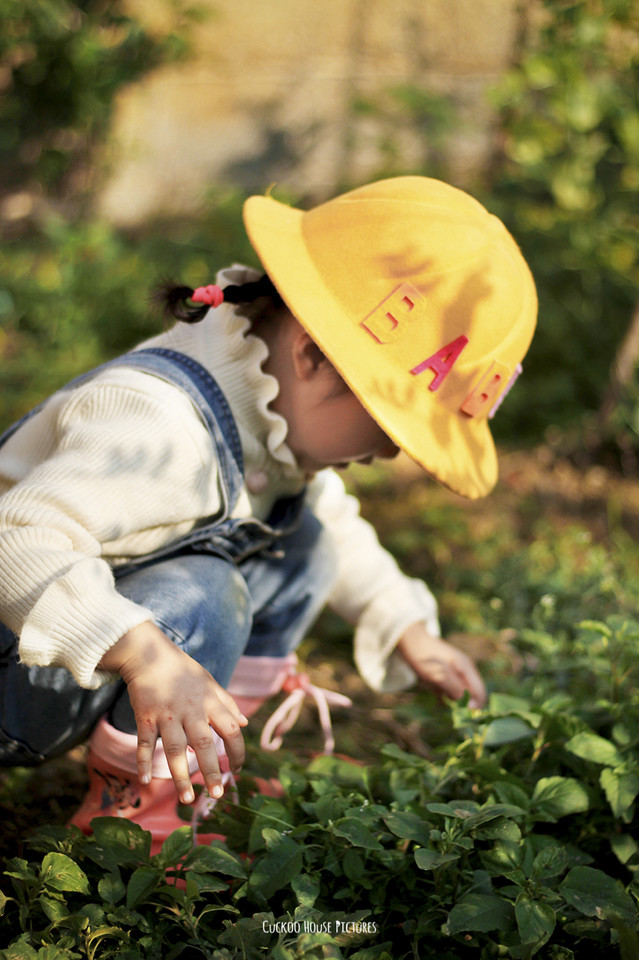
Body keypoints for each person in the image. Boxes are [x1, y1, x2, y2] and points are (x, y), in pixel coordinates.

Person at [0, 176, 537, 847]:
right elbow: (13, 540)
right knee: (208, 591)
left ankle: (205, 759)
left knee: (306, 539)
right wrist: (145, 655)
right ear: (312, 353)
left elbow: (334, 524)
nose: (390, 453)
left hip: (69, 648)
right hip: (14, 664)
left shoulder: (269, 410)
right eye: (388, 427)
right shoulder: (156, 427)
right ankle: (138, 812)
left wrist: (406, 627)